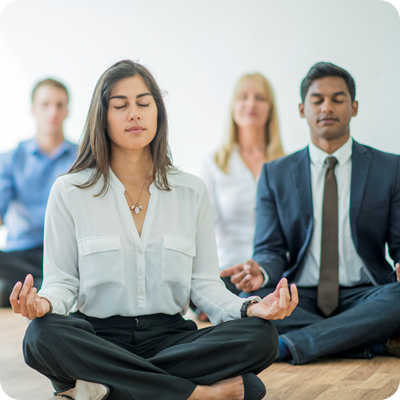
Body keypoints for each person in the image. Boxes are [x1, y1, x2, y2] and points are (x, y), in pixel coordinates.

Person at [10, 60, 298, 400]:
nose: (134, 114)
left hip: (170, 338)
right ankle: (199, 395)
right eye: (121, 106)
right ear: (101, 117)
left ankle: (96, 388)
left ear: (158, 114)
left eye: (144, 104)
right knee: (41, 336)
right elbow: (62, 283)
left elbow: (204, 284)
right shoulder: (69, 191)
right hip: (97, 337)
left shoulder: (190, 190)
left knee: (262, 337)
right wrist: (43, 303)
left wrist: (250, 308)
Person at [221, 62, 400, 365]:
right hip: (297, 296)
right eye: (317, 100)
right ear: (303, 109)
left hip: (365, 294)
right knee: (237, 294)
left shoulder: (390, 168)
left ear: (354, 107)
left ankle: (288, 346)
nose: (327, 107)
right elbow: (270, 249)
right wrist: (260, 272)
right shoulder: (275, 174)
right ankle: (365, 342)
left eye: (338, 99)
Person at [200, 73, 284, 296]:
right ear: (232, 106)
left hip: (274, 273)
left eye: (260, 97)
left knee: (261, 303)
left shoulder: (287, 165)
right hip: (227, 271)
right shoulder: (214, 164)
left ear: (270, 108)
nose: (251, 104)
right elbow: (203, 230)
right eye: (243, 97)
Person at [0, 78, 76, 306]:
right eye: (45, 104)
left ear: (67, 111)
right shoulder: (10, 160)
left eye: (59, 104)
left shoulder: (84, 158)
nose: (53, 111)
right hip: (21, 254)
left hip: (66, 254)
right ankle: (48, 287)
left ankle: (32, 288)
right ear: (33, 109)